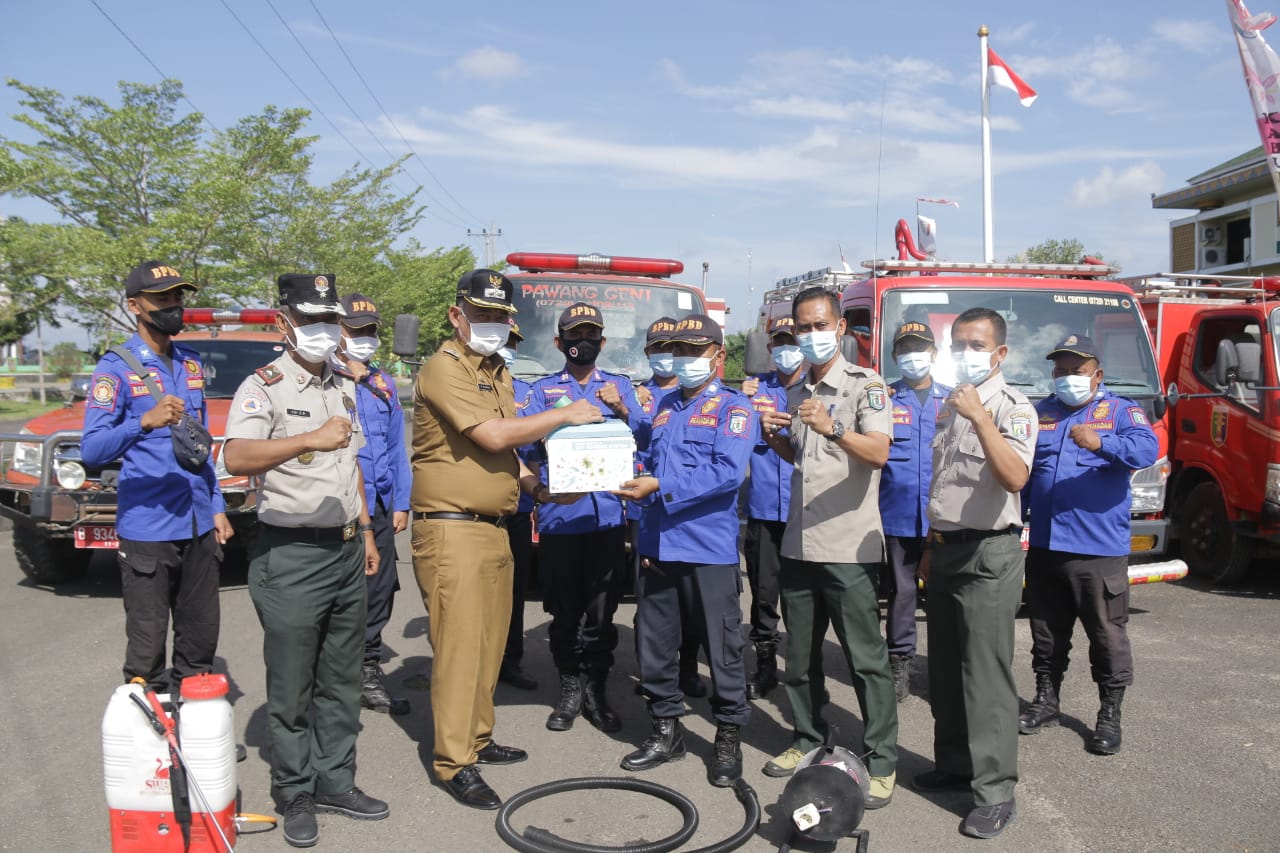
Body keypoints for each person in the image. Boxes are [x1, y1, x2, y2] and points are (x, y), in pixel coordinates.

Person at [410, 269, 602, 811]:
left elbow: (505, 452)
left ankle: (477, 738)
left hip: (494, 526)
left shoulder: (495, 372)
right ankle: (454, 762)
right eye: (483, 314)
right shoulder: (442, 368)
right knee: (459, 650)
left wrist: (537, 489)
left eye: (500, 315)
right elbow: (491, 434)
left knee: (490, 644)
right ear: (457, 315)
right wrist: (564, 414)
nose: (494, 325)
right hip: (451, 528)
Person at [223, 273, 388, 848]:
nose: (325, 331)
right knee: (292, 684)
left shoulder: (343, 384)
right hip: (290, 553)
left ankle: (336, 781)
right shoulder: (261, 386)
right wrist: (305, 440)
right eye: (312, 320)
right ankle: (295, 790)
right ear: (283, 323)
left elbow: (354, 467)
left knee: (341, 680)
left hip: (344, 547)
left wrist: (365, 532)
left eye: (330, 320)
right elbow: (238, 455)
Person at [757, 288, 899, 811]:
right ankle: (808, 735)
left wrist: (833, 426)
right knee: (799, 655)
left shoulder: (867, 385)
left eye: (820, 325)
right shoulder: (799, 391)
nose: (811, 335)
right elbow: (802, 456)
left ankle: (881, 758)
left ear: (839, 328)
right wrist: (776, 435)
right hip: (800, 542)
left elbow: (878, 452)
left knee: (865, 660)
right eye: (802, 327)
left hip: (846, 547)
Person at [613, 313, 757, 788]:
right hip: (657, 544)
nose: (686, 359)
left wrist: (659, 485)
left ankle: (728, 737)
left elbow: (726, 473)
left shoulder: (734, 409)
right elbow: (647, 456)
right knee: (654, 646)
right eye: (679, 350)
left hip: (706, 549)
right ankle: (665, 731)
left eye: (696, 351)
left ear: (718, 356)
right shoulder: (662, 405)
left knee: (722, 648)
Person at [910, 307, 1037, 841]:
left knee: (986, 678)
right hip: (945, 550)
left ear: (1000, 353)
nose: (965, 352)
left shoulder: (1011, 407)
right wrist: (927, 546)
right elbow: (945, 486)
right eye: (958, 343)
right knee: (944, 669)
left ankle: (995, 792)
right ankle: (956, 763)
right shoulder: (950, 404)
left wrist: (982, 418)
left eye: (976, 344)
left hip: (989, 555)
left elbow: (1014, 477)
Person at [82, 260, 233, 695]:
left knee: (200, 640)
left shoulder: (190, 363)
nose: (174, 305)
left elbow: (199, 446)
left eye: (178, 297)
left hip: (199, 523)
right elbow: (93, 449)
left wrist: (218, 506)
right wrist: (143, 422)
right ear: (135, 305)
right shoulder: (114, 369)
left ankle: (198, 735)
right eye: (162, 298)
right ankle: (155, 744)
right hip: (148, 527)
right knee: (147, 652)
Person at [1019, 334, 1156, 755]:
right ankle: (1046, 700)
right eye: (1059, 371)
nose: (1066, 378)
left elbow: (1147, 450)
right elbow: (1024, 473)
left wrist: (1104, 442)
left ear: (1097, 375)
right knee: (1046, 633)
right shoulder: (1040, 412)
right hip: (1044, 546)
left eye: (1075, 372)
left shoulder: (1119, 412)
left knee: (1106, 636)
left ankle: (1108, 715)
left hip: (1097, 551)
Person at [521, 302, 644, 734]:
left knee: (602, 614)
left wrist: (624, 408)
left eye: (591, 335)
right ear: (559, 342)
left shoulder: (620, 388)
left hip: (607, 521)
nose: (582, 343)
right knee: (564, 612)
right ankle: (569, 687)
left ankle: (596, 688)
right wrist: (537, 493)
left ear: (603, 342)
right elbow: (527, 452)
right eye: (574, 336)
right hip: (559, 520)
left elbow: (645, 442)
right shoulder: (543, 393)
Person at [329, 293, 412, 716]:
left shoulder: (382, 384)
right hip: (338, 506)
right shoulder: (326, 377)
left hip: (379, 503)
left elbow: (397, 444)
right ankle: (334, 677)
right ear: (337, 331)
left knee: (379, 590)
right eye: (355, 330)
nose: (365, 338)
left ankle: (367, 670)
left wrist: (401, 502)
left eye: (370, 331)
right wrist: (349, 376)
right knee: (339, 593)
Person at [633, 316, 706, 699]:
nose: (667, 357)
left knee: (691, 605)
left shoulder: (704, 395)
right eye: (658, 349)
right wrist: (626, 407)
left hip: (691, 513)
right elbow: (638, 444)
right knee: (652, 603)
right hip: (645, 509)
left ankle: (688, 668)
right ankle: (652, 675)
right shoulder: (638, 395)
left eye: (673, 349)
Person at [879, 321, 950, 702]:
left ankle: (942, 666)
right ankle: (899, 662)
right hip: (897, 516)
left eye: (919, 349)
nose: (912, 356)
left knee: (943, 595)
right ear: (894, 356)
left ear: (935, 354)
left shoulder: (954, 400)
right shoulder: (885, 399)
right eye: (904, 349)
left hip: (944, 520)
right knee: (902, 595)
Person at [738, 315, 805, 700]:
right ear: (769, 349)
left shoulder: (817, 390)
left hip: (804, 511)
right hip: (764, 510)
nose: (787, 349)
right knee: (764, 595)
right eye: (780, 342)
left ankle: (801, 670)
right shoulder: (752, 392)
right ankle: (765, 664)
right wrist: (744, 402)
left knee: (802, 599)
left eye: (793, 341)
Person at [498, 323, 539, 691]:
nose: (506, 347)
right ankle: (481, 664)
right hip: (478, 510)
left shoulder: (528, 393)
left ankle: (511, 661)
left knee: (514, 591)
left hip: (520, 506)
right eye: (502, 340)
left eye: (513, 342)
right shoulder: (465, 389)